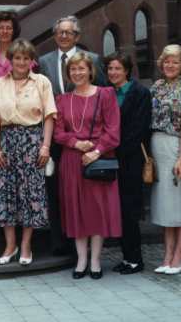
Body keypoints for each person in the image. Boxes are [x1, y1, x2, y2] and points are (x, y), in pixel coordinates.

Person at [38, 15, 106, 255]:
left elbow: (102, 98)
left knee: (88, 196)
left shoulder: (94, 60)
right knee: (58, 191)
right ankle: (62, 241)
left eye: (68, 32)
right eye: (60, 32)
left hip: (87, 142)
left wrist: (95, 144)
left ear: (77, 36)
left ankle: (89, 248)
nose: (63, 36)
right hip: (58, 137)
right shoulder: (43, 61)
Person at [54, 52, 121, 280]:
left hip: (98, 159)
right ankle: (81, 259)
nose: (77, 73)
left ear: (90, 70)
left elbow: (113, 131)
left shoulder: (105, 94)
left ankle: (95, 260)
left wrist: (95, 151)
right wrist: (74, 142)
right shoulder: (62, 100)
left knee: (97, 210)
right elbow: (58, 132)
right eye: (73, 70)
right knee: (76, 210)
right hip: (72, 160)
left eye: (81, 68)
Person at [0, 39, 56, 266]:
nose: (21, 62)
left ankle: (26, 245)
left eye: (26, 58)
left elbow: (49, 116)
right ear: (11, 60)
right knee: (5, 192)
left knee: (29, 193)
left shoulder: (42, 82)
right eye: (17, 58)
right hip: (6, 142)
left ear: (31, 61)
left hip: (32, 141)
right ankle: (10, 245)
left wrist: (45, 146)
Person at [105, 52, 152, 274]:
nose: (113, 72)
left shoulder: (140, 93)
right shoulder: (107, 93)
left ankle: (135, 259)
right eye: (110, 69)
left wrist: (116, 148)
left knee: (129, 209)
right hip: (111, 158)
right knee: (117, 210)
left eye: (117, 68)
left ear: (127, 70)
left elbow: (139, 129)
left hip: (130, 159)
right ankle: (126, 257)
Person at [150, 44, 181, 275]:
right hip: (157, 146)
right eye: (167, 61)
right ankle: (167, 255)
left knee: (179, 204)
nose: (169, 65)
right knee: (165, 205)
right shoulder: (156, 87)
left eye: (175, 62)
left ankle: (180, 254)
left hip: (176, 145)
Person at [0, 10, 25, 90]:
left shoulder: (24, 54)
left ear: (14, 31)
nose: (4, 31)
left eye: (9, 28)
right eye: (1, 28)